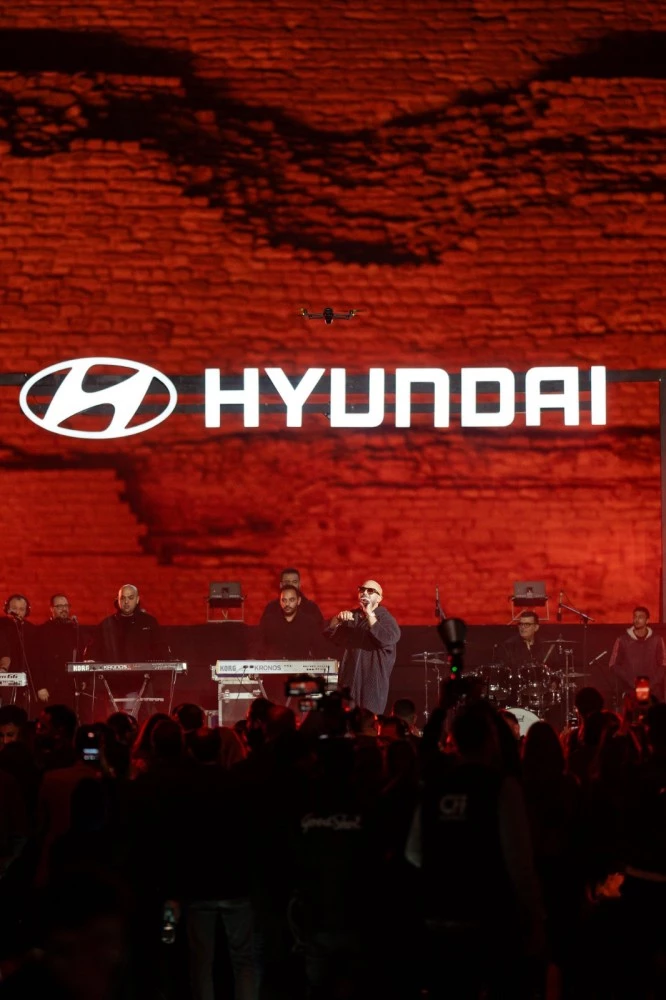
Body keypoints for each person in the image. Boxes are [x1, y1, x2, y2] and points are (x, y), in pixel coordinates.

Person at [324, 579, 400, 715]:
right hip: (348, 684)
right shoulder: (353, 616)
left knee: (368, 723)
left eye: (370, 591)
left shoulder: (385, 619)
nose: (365, 593)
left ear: (379, 598)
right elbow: (329, 635)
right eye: (362, 590)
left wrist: (370, 614)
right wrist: (337, 619)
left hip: (372, 687)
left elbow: (388, 638)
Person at [609, 606, 666, 701]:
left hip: (653, 692)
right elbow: (613, 664)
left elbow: (663, 664)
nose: (637, 619)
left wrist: (651, 683)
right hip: (630, 691)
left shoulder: (657, 640)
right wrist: (630, 680)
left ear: (647, 620)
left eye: (640, 617)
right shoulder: (622, 640)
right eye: (635, 616)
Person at [258, 568, 324, 628]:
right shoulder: (271, 608)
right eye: (287, 582)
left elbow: (320, 631)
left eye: (294, 582)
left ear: (299, 585)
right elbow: (262, 632)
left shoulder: (311, 608)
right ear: (281, 585)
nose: (291, 585)